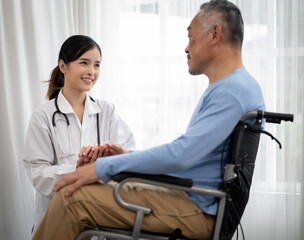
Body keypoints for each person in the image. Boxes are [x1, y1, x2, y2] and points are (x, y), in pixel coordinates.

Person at [33, 1, 265, 239]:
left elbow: (181, 155)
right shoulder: (233, 87)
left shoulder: (231, 91)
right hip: (192, 199)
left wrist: (101, 167)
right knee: (80, 193)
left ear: (215, 34)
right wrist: (126, 157)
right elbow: (189, 157)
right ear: (63, 66)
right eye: (83, 63)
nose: (186, 48)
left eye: (190, 37)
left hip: (196, 208)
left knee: (73, 199)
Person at [22, 35, 135, 234]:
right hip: (56, 220)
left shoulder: (107, 111)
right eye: (84, 63)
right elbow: (38, 174)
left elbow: (131, 159)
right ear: (63, 66)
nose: (91, 72)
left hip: (100, 221)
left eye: (97, 65)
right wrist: (78, 170)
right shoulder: (43, 116)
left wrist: (116, 157)